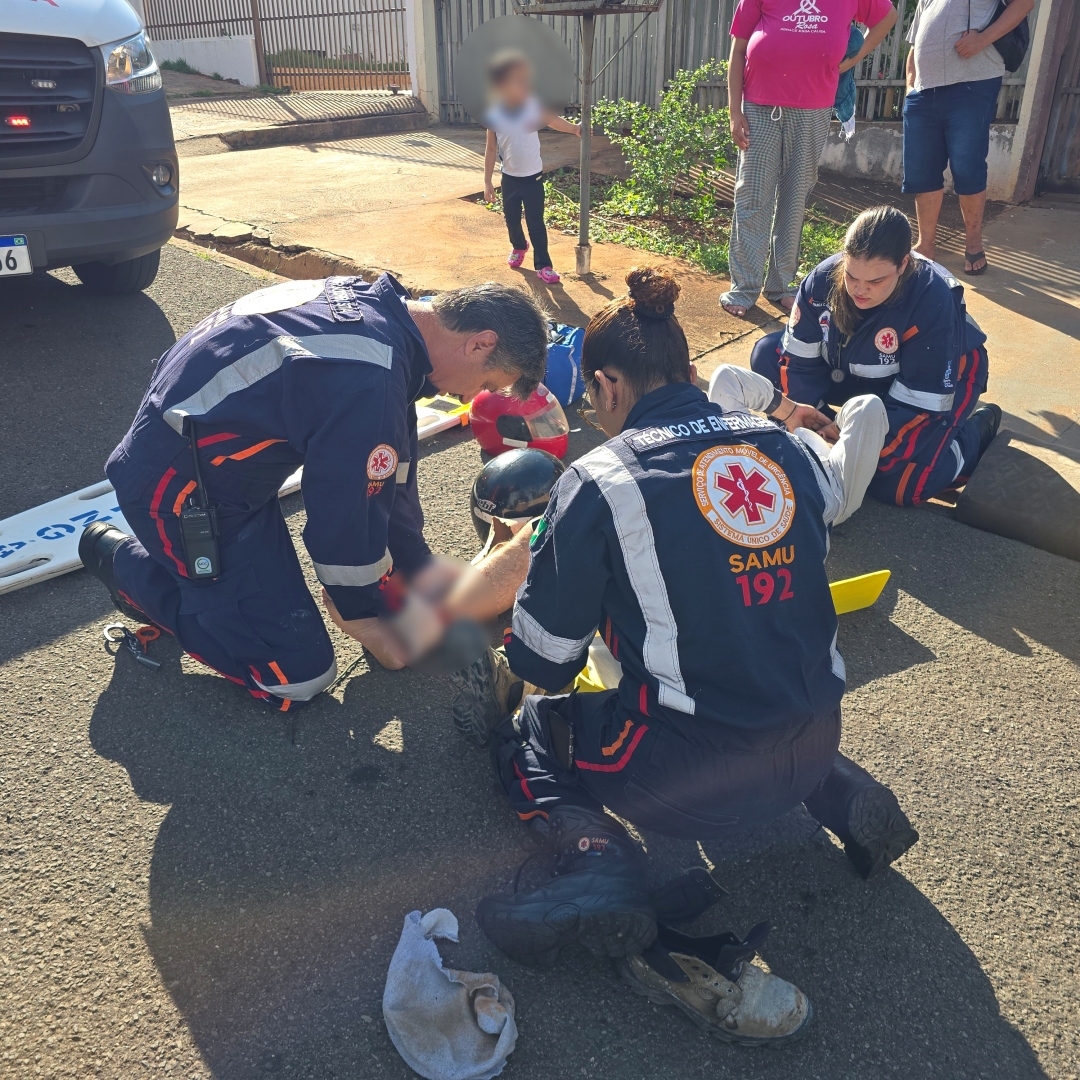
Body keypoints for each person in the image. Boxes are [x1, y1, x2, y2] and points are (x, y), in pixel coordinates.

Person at [451, 267, 919, 1045]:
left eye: (590, 395)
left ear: (607, 384)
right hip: (816, 735)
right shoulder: (787, 447)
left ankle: (598, 863)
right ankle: (846, 795)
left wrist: (552, 587)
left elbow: (544, 665)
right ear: (686, 369)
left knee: (536, 728)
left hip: (689, 782)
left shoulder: (601, 481)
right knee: (752, 658)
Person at [78, 274, 550, 712]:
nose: (470, 398)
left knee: (292, 597)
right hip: (180, 495)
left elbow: (391, 478)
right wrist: (369, 617)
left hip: (221, 471)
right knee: (296, 677)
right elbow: (344, 523)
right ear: (480, 343)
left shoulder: (385, 320)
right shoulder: (370, 378)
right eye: (485, 383)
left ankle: (207, 584)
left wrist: (417, 572)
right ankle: (128, 567)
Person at [750, 205, 1001, 507]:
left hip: (942, 376)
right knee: (767, 354)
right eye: (851, 276)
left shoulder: (932, 299)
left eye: (876, 282)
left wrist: (856, 443)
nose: (860, 290)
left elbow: (919, 403)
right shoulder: (821, 281)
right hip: (862, 369)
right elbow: (796, 363)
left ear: (903, 264)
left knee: (899, 486)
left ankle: (973, 435)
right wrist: (811, 428)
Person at [722, 0, 898, 318]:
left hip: (812, 108)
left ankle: (780, 285)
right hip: (759, 108)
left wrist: (854, 57)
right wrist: (735, 111)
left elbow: (887, 17)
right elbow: (738, 49)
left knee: (794, 197)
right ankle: (743, 287)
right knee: (753, 195)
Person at [903, 0, 1034, 275]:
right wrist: (910, 88)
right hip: (923, 93)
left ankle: (973, 242)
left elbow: (1024, 3)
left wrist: (982, 39)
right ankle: (926, 245)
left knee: (967, 167)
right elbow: (914, 44)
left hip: (972, 85)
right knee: (921, 172)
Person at [483, 51, 581, 285]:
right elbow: (490, 149)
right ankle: (519, 246)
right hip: (509, 178)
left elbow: (552, 120)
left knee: (536, 222)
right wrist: (487, 181)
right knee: (511, 219)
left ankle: (544, 265)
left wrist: (574, 129)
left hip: (533, 178)